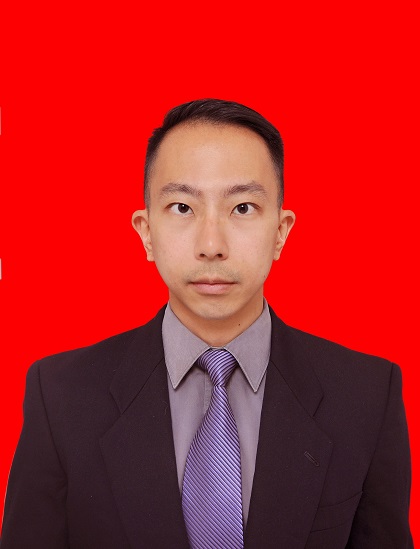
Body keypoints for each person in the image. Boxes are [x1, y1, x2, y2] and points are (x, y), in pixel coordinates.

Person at [0, 99, 413, 549]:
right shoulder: (60, 395)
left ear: (281, 231)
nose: (211, 245)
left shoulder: (367, 396)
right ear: (146, 231)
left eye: (242, 208)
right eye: (182, 207)